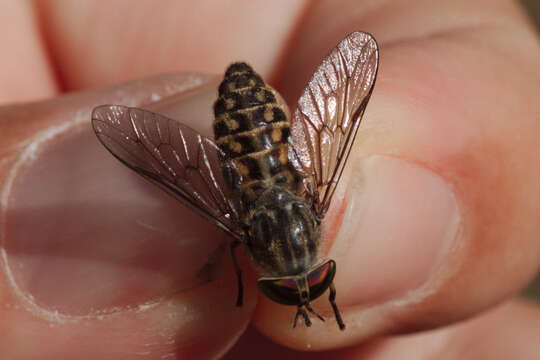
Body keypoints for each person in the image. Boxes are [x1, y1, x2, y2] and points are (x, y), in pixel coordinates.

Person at [1, 1, 539, 359]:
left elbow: (189, 167)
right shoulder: (276, 217)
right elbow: (329, 126)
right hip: (255, 132)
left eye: (294, 290)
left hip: (256, 132)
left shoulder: (300, 208)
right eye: (317, 286)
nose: (305, 291)